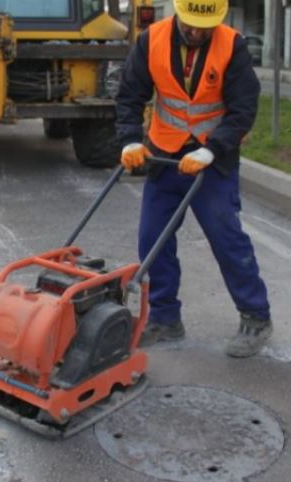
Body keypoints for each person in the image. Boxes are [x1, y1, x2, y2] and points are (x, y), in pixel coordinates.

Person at [116, 0, 272, 358]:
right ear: (179, 12)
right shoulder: (151, 39)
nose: (198, 32)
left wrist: (212, 149)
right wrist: (129, 139)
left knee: (226, 237)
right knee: (152, 240)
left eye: (206, 26)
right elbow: (130, 94)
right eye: (191, 25)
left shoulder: (233, 46)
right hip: (164, 156)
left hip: (211, 161)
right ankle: (165, 318)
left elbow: (243, 108)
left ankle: (256, 317)